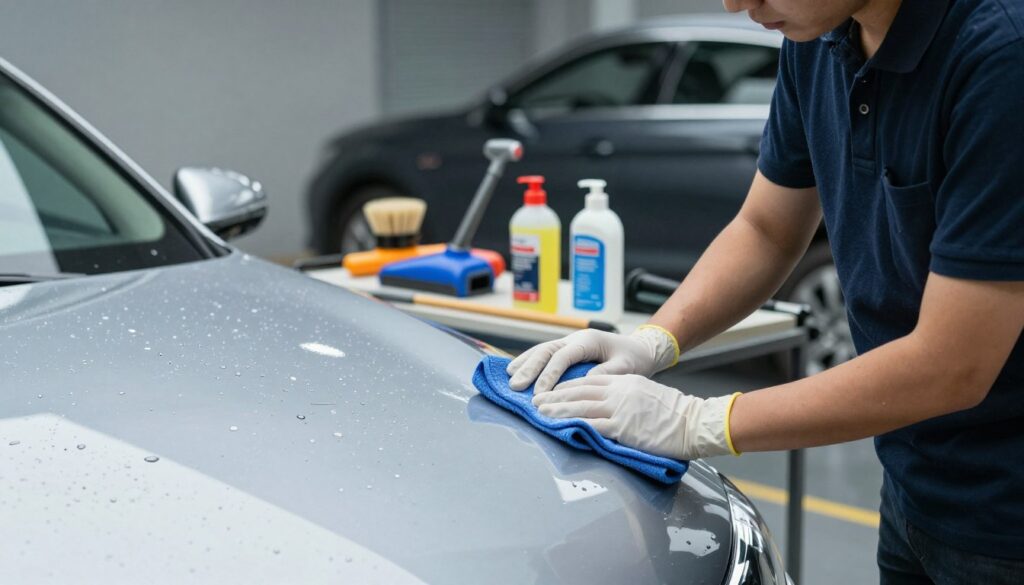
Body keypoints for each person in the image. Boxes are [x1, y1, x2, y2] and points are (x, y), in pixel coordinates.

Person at [506, 0, 1024, 582]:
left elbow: (953, 364)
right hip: (913, 482)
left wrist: (699, 422)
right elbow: (767, 230)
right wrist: (653, 341)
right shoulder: (820, 36)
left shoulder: (1001, 55)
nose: (735, 3)